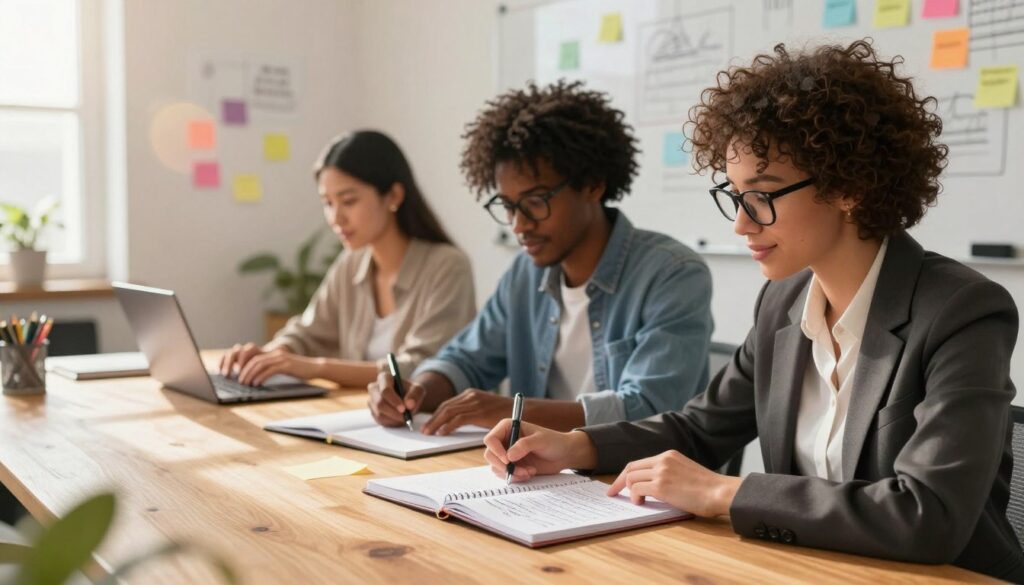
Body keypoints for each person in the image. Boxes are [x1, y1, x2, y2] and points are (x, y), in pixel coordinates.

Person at [482, 41, 1023, 581]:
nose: (741, 224)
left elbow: (929, 514)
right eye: (734, 195)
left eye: (761, 195)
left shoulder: (961, 311)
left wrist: (723, 491)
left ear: (849, 187)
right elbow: (699, 429)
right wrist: (573, 446)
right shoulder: (783, 303)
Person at [368, 80, 714, 435]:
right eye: (508, 206)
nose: (519, 225)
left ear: (593, 184)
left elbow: (649, 407)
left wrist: (513, 412)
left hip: (637, 481)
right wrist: (418, 390)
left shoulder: (672, 274)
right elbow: (466, 358)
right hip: (538, 478)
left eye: (536, 202)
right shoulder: (526, 274)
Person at [219, 130, 476, 388]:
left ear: (394, 196)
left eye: (348, 201)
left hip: (425, 423)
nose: (335, 217)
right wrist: (271, 354)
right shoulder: (352, 263)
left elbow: (420, 370)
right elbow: (307, 333)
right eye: (328, 203)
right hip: (359, 417)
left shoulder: (448, 267)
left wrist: (318, 368)